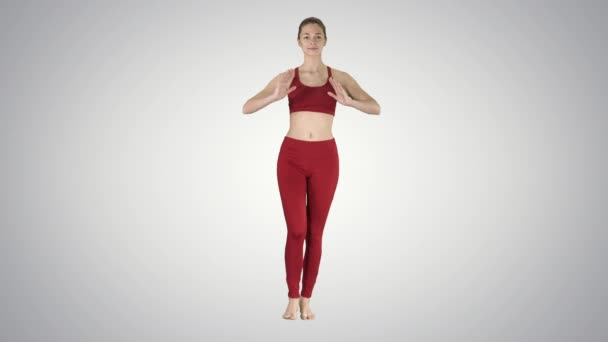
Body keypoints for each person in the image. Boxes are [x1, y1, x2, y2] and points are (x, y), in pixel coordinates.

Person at [242, 17, 380, 320]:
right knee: (297, 230)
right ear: (299, 41)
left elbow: (375, 107)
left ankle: (307, 298)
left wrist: (350, 103)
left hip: (325, 158)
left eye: (318, 36)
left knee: (316, 233)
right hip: (291, 156)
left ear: (325, 41)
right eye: (307, 36)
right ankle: (291, 297)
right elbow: (247, 107)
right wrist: (273, 97)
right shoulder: (286, 76)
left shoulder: (340, 76)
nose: (312, 41)